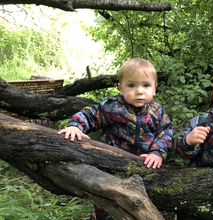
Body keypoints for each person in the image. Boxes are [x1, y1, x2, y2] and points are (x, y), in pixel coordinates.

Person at [57, 58, 173, 220]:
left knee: (141, 203)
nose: (139, 91)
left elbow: (165, 132)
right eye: (132, 85)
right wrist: (76, 125)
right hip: (110, 167)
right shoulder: (111, 107)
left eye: (146, 85)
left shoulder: (157, 111)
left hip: (144, 168)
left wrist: (158, 152)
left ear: (154, 89)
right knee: (106, 203)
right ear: (120, 88)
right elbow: (89, 115)